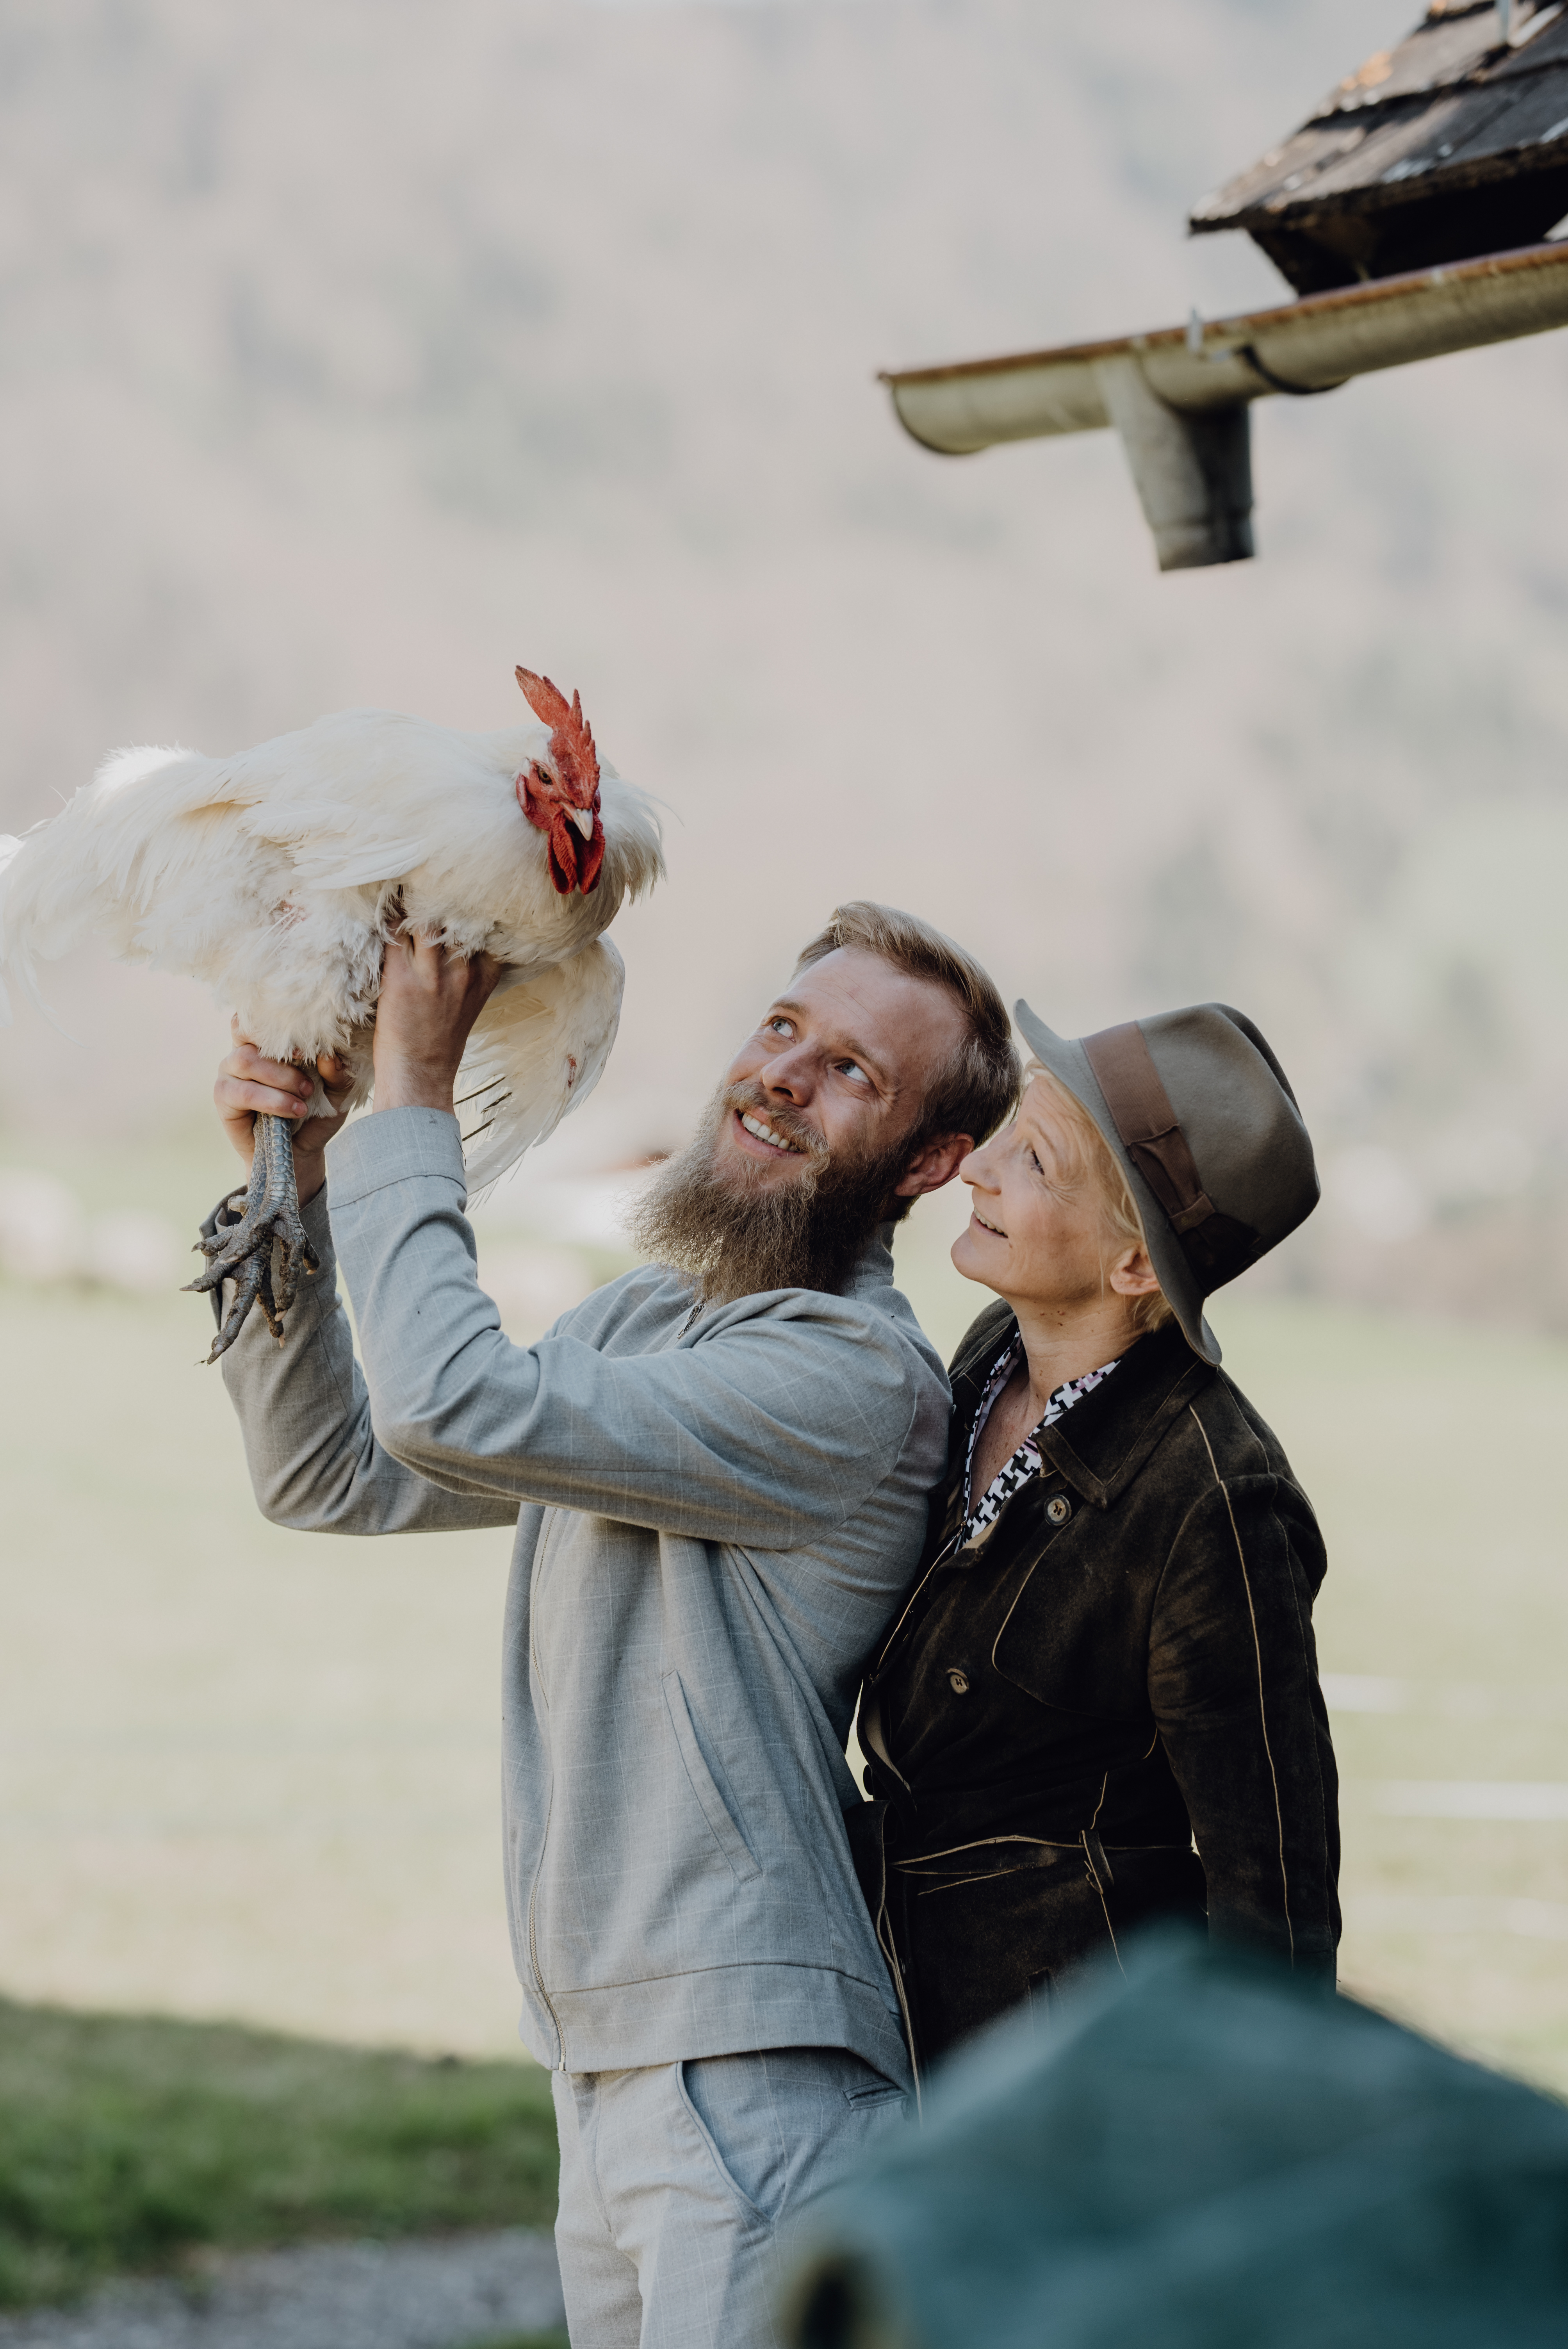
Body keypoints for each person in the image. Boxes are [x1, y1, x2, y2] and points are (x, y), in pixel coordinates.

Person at [206, 900, 1020, 2349]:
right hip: (620, 2057)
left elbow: (454, 1399)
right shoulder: (647, 1323)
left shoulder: (856, 1381)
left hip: (754, 2077)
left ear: (931, 1163)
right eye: (784, 1028)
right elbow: (330, 1471)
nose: (784, 1073)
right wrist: (299, 1181)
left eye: (854, 1073)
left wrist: (412, 1088)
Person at [856, 1001, 1340, 2073]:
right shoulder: (992, 1354)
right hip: (902, 2005)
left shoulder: (1219, 1497)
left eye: (1034, 1160)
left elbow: (1276, 1886)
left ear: (1134, 1269)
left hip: (1074, 2073)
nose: (977, 1166)